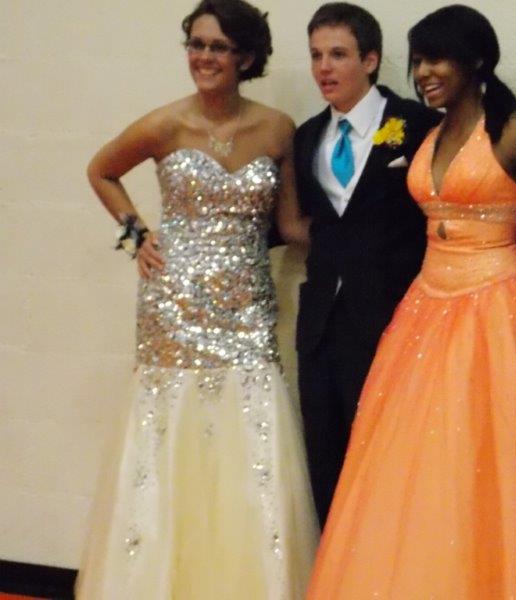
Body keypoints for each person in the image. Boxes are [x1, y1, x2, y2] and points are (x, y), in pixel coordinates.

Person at [306, 6, 516, 597]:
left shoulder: (515, 133)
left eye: (437, 58)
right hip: (425, 308)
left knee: (488, 457)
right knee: (414, 462)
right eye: (418, 61)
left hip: (494, 303)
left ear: (476, 60)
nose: (423, 72)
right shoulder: (428, 133)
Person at [75, 1, 318, 597]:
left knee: (250, 434)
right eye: (197, 44)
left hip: (247, 304)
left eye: (219, 47)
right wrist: (136, 236)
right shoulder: (166, 124)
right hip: (174, 304)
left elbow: (290, 224)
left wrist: (369, 232)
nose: (204, 58)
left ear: (247, 58)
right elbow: (101, 170)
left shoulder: (278, 128)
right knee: (170, 432)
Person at [293, 2, 441, 526]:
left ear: (371, 60)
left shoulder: (418, 124)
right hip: (320, 328)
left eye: (338, 54)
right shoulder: (307, 136)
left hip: (390, 322)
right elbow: (307, 223)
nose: (324, 68)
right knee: (325, 461)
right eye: (316, 55)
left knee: (388, 462)